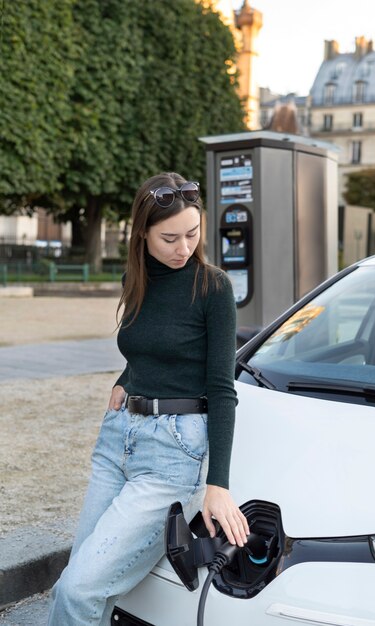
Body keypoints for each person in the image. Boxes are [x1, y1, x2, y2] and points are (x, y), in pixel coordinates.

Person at [47, 172, 249, 625]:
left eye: (193, 234)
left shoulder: (212, 287)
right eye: (169, 237)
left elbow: (221, 389)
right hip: (118, 439)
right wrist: (127, 375)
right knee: (75, 587)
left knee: (79, 590)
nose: (183, 248)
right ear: (142, 232)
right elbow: (148, 344)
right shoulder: (135, 279)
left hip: (173, 455)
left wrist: (218, 484)